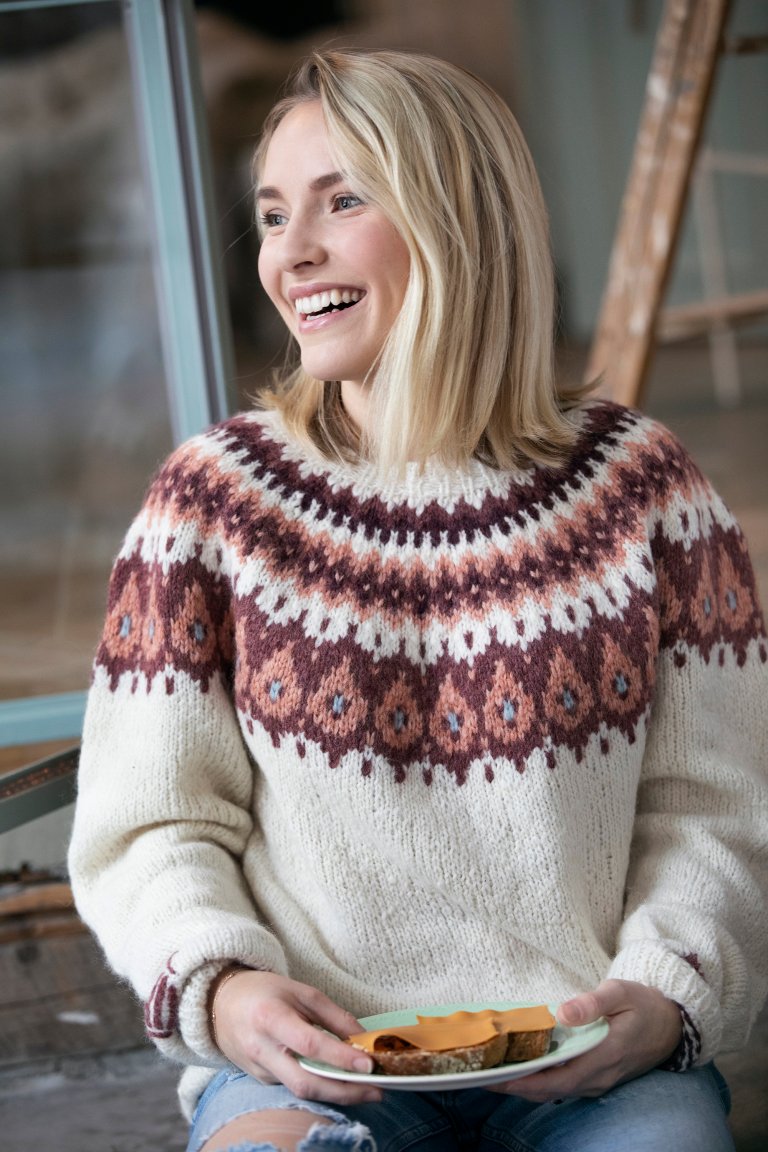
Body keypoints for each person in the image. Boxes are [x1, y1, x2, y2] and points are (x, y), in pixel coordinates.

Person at [68, 48, 768, 1152]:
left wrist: (668, 991)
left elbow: (716, 808)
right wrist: (222, 985)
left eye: (341, 201)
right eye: (272, 215)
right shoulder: (212, 502)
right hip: (315, 1073)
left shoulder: (647, 490)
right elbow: (152, 823)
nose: (291, 253)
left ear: (459, 219)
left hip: (592, 1071)